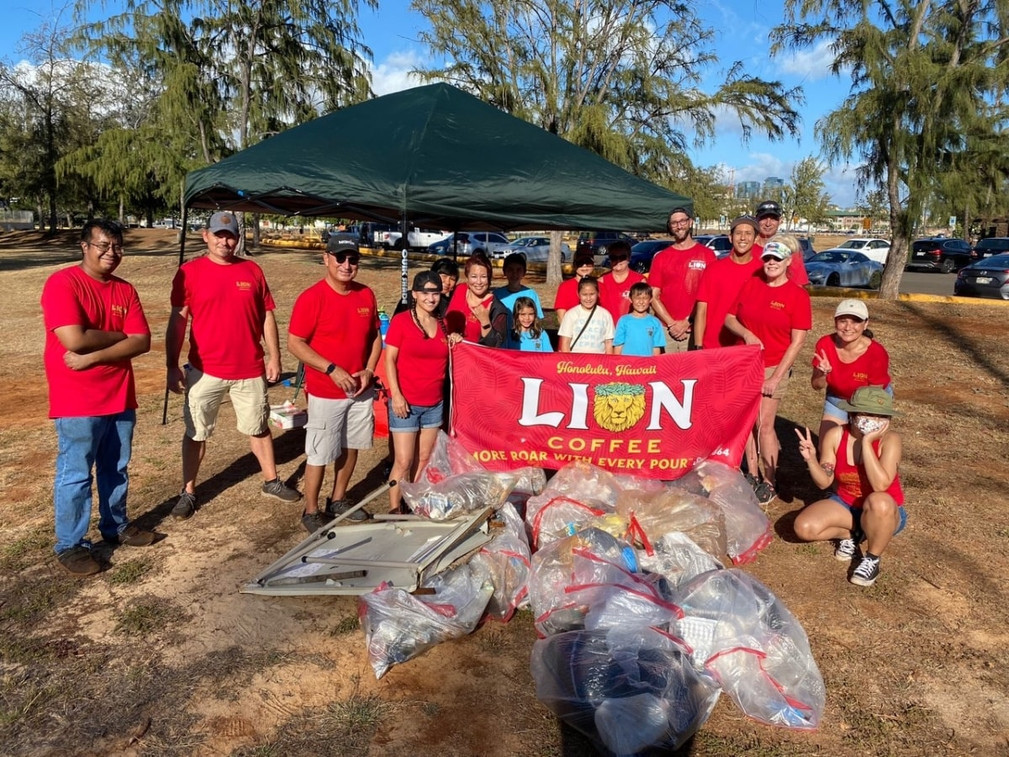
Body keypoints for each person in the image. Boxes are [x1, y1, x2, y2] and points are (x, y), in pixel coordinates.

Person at [166, 211, 301, 521]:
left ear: (237, 238)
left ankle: (271, 480)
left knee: (259, 427)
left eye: (230, 235)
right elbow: (178, 319)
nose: (224, 241)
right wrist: (172, 365)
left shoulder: (252, 270)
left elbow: (267, 315)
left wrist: (275, 357)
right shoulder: (189, 272)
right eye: (218, 234)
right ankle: (188, 491)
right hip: (205, 369)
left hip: (249, 368)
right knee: (197, 432)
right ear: (206, 236)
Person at [41, 220, 157, 575]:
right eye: (103, 245)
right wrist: (120, 336)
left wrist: (94, 353)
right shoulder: (63, 283)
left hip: (120, 394)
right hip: (78, 399)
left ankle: (115, 525)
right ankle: (70, 544)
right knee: (76, 472)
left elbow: (143, 341)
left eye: (117, 246)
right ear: (84, 246)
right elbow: (73, 339)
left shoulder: (125, 289)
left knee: (116, 467)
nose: (111, 253)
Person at [287, 243, 382, 531]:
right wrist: (330, 369)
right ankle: (311, 510)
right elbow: (295, 343)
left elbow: (376, 337)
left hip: (360, 391)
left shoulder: (366, 294)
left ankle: (338, 498)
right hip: (325, 392)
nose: (346, 264)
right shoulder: (312, 298)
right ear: (326, 258)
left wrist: (368, 368)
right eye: (340, 258)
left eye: (353, 259)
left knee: (350, 445)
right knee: (319, 452)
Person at [724, 235, 812, 504]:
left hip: (773, 364)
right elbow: (729, 318)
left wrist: (776, 376)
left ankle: (770, 480)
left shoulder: (797, 295)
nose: (771, 263)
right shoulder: (752, 283)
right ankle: (751, 472)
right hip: (746, 362)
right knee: (746, 422)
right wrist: (747, 334)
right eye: (767, 258)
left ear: (788, 262)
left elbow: (798, 341)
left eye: (777, 259)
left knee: (765, 425)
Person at [793, 386, 906, 587]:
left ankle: (872, 558)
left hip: (884, 511)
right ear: (852, 415)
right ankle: (854, 533)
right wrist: (811, 460)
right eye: (867, 414)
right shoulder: (836, 435)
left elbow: (880, 484)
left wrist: (866, 443)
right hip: (846, 503)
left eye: (881, 416)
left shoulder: (891, 440)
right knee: (804, 527)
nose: (874, 420)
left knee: (878, 500)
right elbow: (824, 482)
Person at [384, 271, 461, 514]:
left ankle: (411, 502)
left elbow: (451, 354)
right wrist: (395, 394)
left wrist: (456, 339)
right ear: (415, 294)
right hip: (405, 403)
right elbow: (389, 359)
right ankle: (395, 510)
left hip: (434, 403)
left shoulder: (444, 324)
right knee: (403, 460)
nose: (431, 297)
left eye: (435, 292)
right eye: (425, 292)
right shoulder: (401, 321)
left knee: (424, 458)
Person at [811, 299, 892, 445]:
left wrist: (856, 421)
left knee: (861, 448)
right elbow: (817, 386)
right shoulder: (825, 344)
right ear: (835, 322)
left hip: (870, 403)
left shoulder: (877, 353)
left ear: (865, 324)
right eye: (843, 321)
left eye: (855, 321)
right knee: (827, 446)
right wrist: (822, 373)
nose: (848, 327)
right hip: (838, 399)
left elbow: (873, 397)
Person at [647, 206, 715, 351]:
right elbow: (653, 296)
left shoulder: (708, 255)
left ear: (690, 222)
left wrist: (687, 322)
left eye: (682, 221)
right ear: (670, 227)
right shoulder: (661, 257)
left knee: (693, 373)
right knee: (667, 373)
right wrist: (672, 324)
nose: (679, 226)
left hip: (696, 329)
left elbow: (711, 295)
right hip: (667, 330)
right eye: (674, 223)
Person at [693, 215, 762, 350]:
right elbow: (701, 311)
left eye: (748, 233)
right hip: (712, 347)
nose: (742, 238)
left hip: (746, 347)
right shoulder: (713, 269)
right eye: (738, 233)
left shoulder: (762, 272)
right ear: (730, 237)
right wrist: (698, 346)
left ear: (756, 239)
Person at [445, 253, 508, 346]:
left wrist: (485, 321)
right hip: (449, 353)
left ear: (489, 279)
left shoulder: (497, 308)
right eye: (474, 276)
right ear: (467, 277)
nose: (478, 282)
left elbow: (495, 345)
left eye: (483, 277)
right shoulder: (459, 289)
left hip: (473, 358)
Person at [753, 200, 809, 286]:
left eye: (773, 219)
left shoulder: (790, 250)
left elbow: (798, 286)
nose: (768, 223)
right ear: (756, 219)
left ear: (780, 221)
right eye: (764, 218)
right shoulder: (747, 250)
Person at [557, 276, 614, 354]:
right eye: (584, 294)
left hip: (599, 363)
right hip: (576, 363)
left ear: (598, 293)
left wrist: (608, 363)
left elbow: (609, 343)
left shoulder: (605, 315)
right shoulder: (571, 314)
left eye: (592, 294)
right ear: (578, 294)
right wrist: (568, 362)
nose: (588, 298)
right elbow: (565, 342)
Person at [494, 252, 544, 333]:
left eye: (518, 270)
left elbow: (537, 320)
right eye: (510, 269)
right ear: (504, 271)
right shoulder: (497, 295)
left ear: (524, 272)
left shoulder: (531, 294)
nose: (514, 273)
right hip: (503, 339)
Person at [613, 282, 666, 356]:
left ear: (650, 299)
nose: (641, 302)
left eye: (645, 298)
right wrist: (617, 363)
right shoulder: (623, 321)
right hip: (627, 365)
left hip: (647, 365)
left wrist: (654, 364)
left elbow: (656, 347)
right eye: (637, 298)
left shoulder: (655, 322)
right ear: (630, 299)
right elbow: (618, 345)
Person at [598, 240, 644, 321]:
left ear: (629, 258)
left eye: (622, 257)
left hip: (631, 329)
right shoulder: (601, 282)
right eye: (613, 258)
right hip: (608, 330)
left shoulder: (640, 281)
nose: (618, 261)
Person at [553, 251, 596, 324]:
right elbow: (561, 315)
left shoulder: (599, 285)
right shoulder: (565, 286)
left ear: (593, 265)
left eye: (588, 263)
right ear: (574, 265)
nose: (584, 266)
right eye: (580, 263)